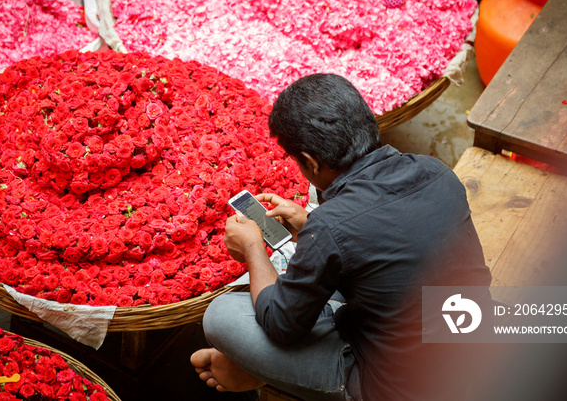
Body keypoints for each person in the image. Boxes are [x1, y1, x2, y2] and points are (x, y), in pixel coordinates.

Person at [191, 73, 492, 400]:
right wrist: (311, 226)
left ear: (310, 163)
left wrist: (252, 248)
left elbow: (280, 324)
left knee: (221, 316)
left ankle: (266, 374)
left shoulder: (331, 228)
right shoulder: (437, 173)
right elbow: (382, 242)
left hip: (396, 389)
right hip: (468, 347)